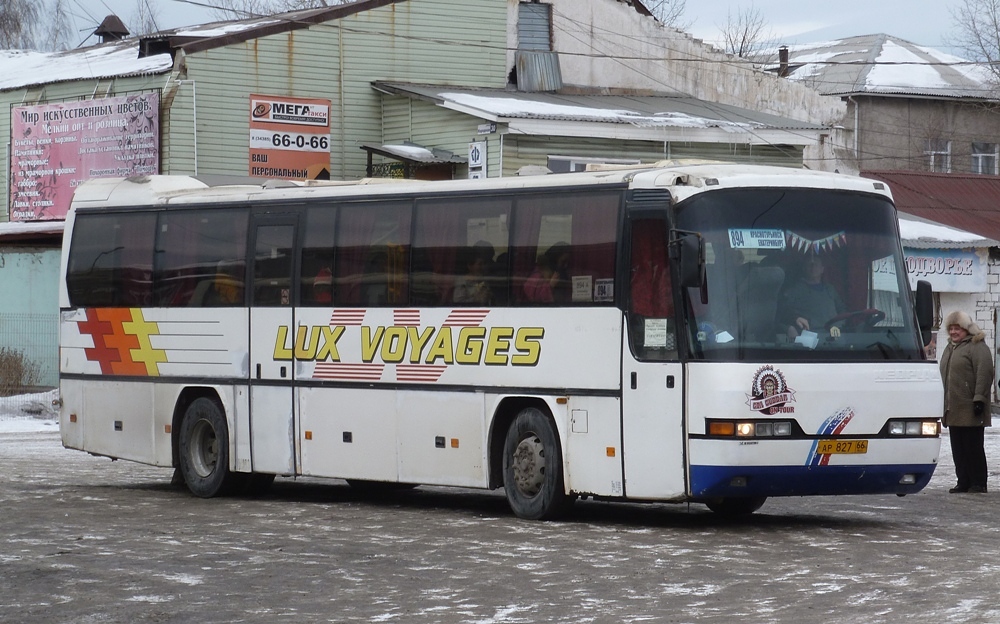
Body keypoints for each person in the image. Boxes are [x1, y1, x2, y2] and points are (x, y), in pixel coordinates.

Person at [939, 310, 993, 493]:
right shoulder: (950, 347)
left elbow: (984, 374)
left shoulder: (977, 347)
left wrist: (979, 398)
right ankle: (963, 481)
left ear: (966, 329)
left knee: (973, 447)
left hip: (970, 406)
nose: (954, 332)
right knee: (958, 448)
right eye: (951, 329)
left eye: (958, 329)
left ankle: (978, 482)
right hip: (953, 407)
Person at [779, 254, 845, 339]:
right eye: (809, 264)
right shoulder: (794, 290)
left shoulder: (830, 289)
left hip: (833, 337)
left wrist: (836, 326)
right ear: (804, 268)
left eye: (816, 264)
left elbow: (843, 311)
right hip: (809, 339)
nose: (813, 267)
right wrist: (793, 322)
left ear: (822, 269)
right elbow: (782, 314)